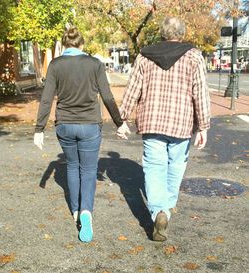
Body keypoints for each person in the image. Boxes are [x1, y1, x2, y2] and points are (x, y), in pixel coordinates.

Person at [117, 17, 210, 241]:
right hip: (181, 123)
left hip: (152, 121)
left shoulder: (144, 56)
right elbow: (201, 92)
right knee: (176, 166)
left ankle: (159, 210)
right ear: (182, 33)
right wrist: (204, 125)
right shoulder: (194, 56)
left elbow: (133, 89)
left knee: (154, 167)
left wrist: (122, 118)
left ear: (162, 33)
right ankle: (166, 209)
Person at [34, 26, 129, 243]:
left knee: (72, 166)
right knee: (88, 169)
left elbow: (47, 98)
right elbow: (107, 96)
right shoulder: (94, 64)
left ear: (65, 44)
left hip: (65, 124)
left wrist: (39, 129)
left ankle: (75, 211)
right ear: (82, 44)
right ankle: (86, 211)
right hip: (89, 125)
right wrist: (119, 123)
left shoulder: (56, 65)